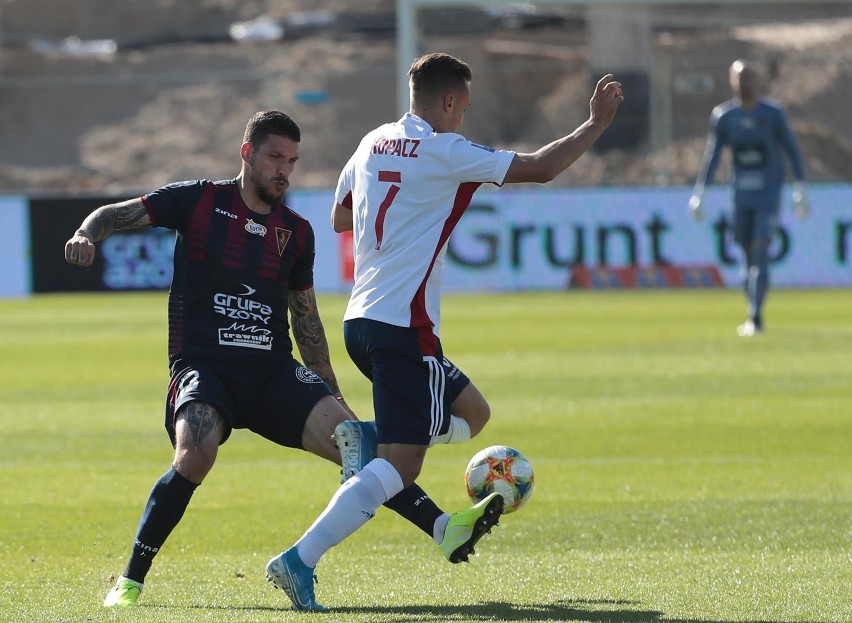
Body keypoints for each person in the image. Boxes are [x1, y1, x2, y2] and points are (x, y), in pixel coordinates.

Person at [264, 52, 623, 611]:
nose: (463, 119)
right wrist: (596, 122)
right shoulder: (444, 149)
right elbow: (542, 166)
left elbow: (339, 217)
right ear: (450, 101)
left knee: (474, 413)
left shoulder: (370, 143)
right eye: (464, 108)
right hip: (401, 325)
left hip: (363, 318)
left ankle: (383, 436)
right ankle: (299, 560)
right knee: (399, 465)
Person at [63, 110, 456, 609]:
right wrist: (84, 234)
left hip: (272, 371)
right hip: (205, 366)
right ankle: (130, 581)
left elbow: (306, 322)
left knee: (355, 446)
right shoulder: (200, 200)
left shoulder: (296, 231)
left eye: (292, 161)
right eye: (275, 157)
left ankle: (442, 527)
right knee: (196, 454)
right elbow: (115, 214)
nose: (284, 170)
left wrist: (332, 392)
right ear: (247, 153)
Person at [688, 59, 809, 337]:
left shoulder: (773, 114)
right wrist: (701, 192)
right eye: (740, 78)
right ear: (731, 81)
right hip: (740, 197)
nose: (746, 83)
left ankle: (755, 317)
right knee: (745, 255)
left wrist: (800, 187)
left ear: (758, 82)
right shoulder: (724, 117)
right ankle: (751, 309)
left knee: (759, 253)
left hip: (768, 195)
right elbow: (713, 156)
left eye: (750, 78)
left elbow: (791, 150)